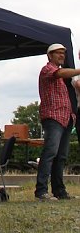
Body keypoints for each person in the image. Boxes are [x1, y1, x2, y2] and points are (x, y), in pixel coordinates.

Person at [35, 43, 80, 201]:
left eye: (63, 53)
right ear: (49, 56)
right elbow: (60, 73)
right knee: (50, 153)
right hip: (53, 117)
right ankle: (41, 191)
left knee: (60, 156)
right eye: (58, 53)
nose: (62, 55)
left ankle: (59, 191)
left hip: (65, 118)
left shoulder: (60, 75)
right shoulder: (47, 69)